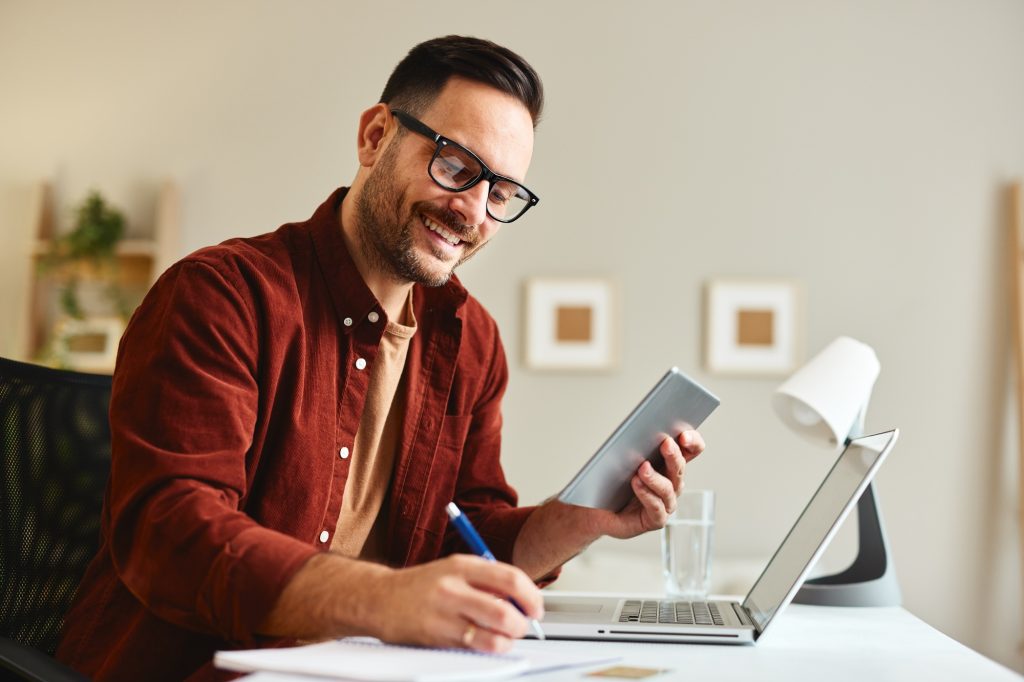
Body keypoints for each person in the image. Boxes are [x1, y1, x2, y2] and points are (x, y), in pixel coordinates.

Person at [56, 35, 706, 681]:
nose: (472, 212)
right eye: (456, 166)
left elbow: (467, 536)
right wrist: (386, 599)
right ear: (374, 137)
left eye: (501, 193)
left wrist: (581, 519)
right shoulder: (221, 295)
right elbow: (173, 536)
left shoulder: (470, 340)